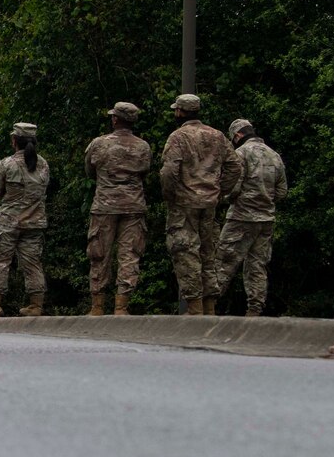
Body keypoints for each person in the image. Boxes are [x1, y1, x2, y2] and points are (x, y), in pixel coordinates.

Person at [160, 93, 242, 315]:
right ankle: (210, 309)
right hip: (209, 203)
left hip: (184, 204)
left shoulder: (178, 137)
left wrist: (171, 194)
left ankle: (195, 310)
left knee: (186, 254)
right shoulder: (217, 136)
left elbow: (169, 171)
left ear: (179, 112)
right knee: (208, 254)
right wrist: (219, 190)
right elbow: (235, 166)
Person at [83, 101, 153, 316]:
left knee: (99, 255)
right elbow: (145, 171)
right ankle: (121, 306)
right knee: (129, 255)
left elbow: (89, 171)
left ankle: (97, 306)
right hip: (133, 205)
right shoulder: (143, 146)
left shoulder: (98, 144)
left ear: (115, 119)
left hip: (105, 205)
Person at [213, 118, 287, 316]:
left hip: (241, 218)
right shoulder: (275, 156)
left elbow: (233, 187)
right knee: (257, 266)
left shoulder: (241, 154)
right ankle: (254, 310)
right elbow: (281, 192)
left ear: (237, 135)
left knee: (224, 262)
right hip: (266, 220)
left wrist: (224, 197)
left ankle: (207, 307)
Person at [0, 122, 51, 317]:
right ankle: (36, 305)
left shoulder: (7, 164)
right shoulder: (43, 164)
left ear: (14, 141)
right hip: (35, 221)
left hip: (7, 221)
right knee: (33, 262)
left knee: (0, 260)